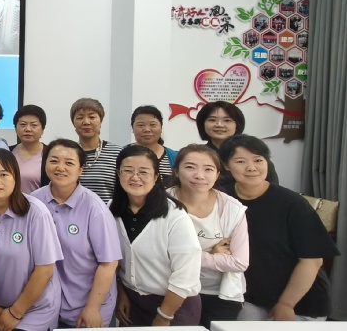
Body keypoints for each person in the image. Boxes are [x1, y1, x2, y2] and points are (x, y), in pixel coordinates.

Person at [219, 135, 339, 321]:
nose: (251, 167)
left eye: (258, 160)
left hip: (300, 302)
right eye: (240, 161)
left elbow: (312, 261)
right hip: (249, 298)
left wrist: (286, 304)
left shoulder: (292, 204)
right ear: (226, 165)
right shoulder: (222, 199)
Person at [31, 139, 121, 328]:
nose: (60, 167)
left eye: (69, 163)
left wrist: (92, 308)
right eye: (54, 161)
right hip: (46, 307)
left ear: (81, 170)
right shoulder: (34, 202)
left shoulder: (95, 209)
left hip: (86, 307)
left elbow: (109, 263)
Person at [111, 145, 202, 327]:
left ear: (156, 177)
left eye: (143, 172)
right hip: (132, 302)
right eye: (127, 171)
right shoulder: (110, 210)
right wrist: (120, 292)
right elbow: (112, 261)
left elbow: (186, 274)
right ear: (118, 174)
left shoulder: (175, 215)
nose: (135, 177)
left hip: (175, 306)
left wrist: (164, 316)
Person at [0, 150, 61, 331]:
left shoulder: (36, 213)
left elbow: (45, 270)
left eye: (4, 174)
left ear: (16, 177)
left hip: (33, 310)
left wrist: (15, 313)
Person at [167, 144, 248, 327]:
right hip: (173, 290)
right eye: (190, 167)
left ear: (217, 174)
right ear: (176, 171)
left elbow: (240, 263)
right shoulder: (161, 204)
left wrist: (189, 256)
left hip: (221, 294)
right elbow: (156, 255)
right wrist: (213, 255)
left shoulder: (232, 209)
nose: (199, 175)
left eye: (208, 169)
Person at [195, 101, 278, 189]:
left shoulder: (255, 154)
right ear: (202, 124)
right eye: (212, 120)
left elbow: (273, 189)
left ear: (237, 125)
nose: (219, 125)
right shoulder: (196, 155)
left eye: (227, 120)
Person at [70, 98, 122, 203]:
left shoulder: (118, 153)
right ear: (73, 123)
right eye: (80, 117)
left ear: (101, 121)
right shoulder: (68, 152)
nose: (86, 122)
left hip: (109, 212)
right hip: (73, 212)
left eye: (92, 117)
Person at [130, 105, 177, 185]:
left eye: (152, 125)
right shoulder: (120, 154)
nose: (147, 130)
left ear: (161, 128)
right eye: (141, 125)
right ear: (132, 129)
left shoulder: (175, 158)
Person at [11, 105, 46, 194]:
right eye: (23, 124)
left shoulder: (50, 154)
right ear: (15, 128)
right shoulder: (7, 151)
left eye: (34, 125)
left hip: (39, 202)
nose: (28, 129)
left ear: (42, 129)